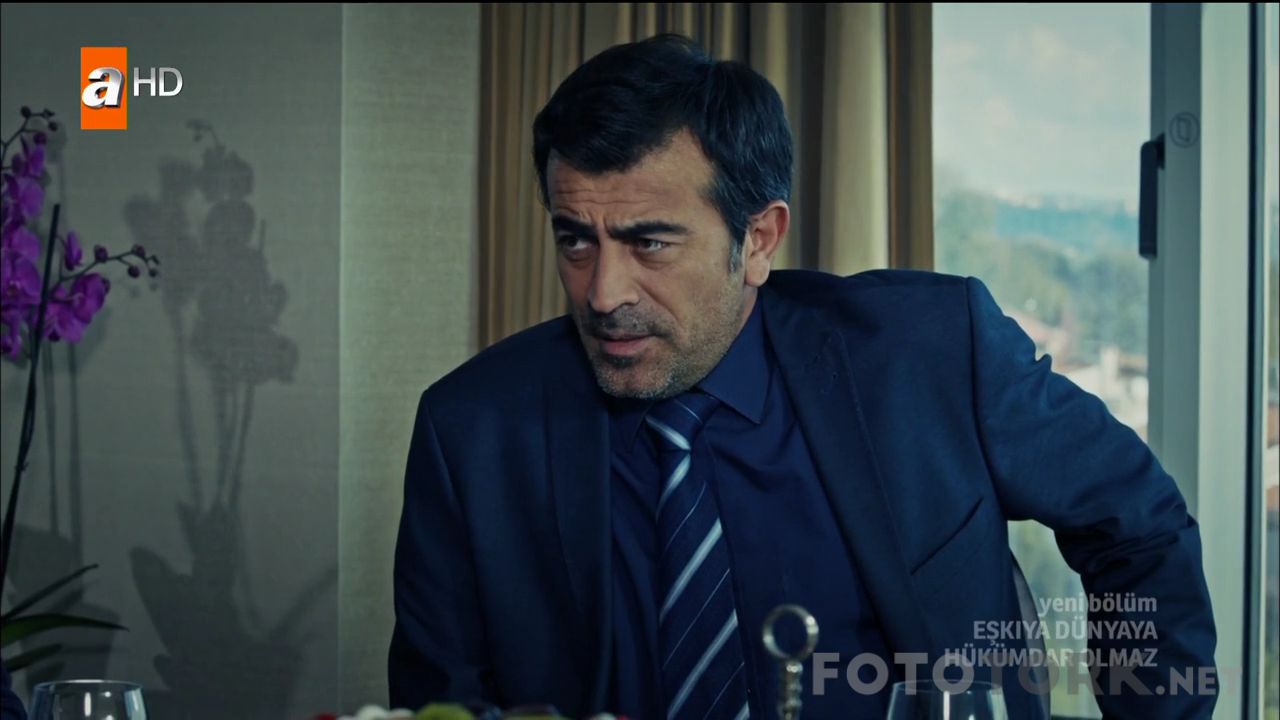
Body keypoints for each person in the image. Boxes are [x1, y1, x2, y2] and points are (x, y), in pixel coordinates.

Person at [388, 33, 1215, 720]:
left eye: (650, 243)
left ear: (758, 240)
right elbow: (442, 704)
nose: (603, 294)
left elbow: (1137, 525)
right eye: (575, 238)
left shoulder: (930, 353)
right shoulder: (471, 433)